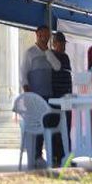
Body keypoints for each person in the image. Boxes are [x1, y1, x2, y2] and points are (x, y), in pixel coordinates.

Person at [20, 24, 62, 167]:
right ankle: (37, 155)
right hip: (35, 97)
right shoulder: (29, 52)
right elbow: (23, 75)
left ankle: (50, 155)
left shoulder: (50, 53)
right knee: (38, 125)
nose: (44, 38)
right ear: (36, 35)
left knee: (48, 125)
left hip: (49, 96)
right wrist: (27, 94)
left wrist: (48, 52)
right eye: (42, 35)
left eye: (47, 35)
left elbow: (57, 67)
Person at [50, 31, 72, 166]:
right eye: (60, 43)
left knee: (67, 127)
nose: (63, 46)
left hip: (67, 96)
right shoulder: (52, 55)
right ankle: (56, 157)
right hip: (56, 97)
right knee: (57, 127)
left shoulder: (66, 56)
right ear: (54, 43)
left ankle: (66, 156)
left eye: (64, 43)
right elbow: (56, 69)